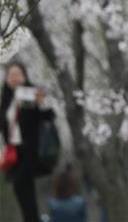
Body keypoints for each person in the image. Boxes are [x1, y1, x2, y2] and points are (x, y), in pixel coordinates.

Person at [1, 60, 55, 222]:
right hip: (14, 151)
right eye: (11, 75)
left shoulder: (32, 93)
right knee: (24, 191)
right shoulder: (6, 100)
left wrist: (42, 103)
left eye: (17, 74)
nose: (14, 78)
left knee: (20, 184)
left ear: (24, 76)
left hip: (31, 149)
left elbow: (49, 117)